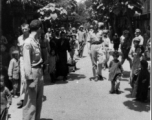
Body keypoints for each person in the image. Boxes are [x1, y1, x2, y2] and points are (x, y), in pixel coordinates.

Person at [23, 19, 43, 120]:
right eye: (41, 29)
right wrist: (30, 79)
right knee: (31, 104)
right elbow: (26, 62)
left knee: (38, 102)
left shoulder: (36, 41)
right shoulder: (28, 42)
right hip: (33, 73)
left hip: (39, 72)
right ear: (39, 29)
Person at [17, 23, 29, 108]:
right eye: (23, 29)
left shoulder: (32, 38)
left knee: (30, 77)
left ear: (29, 29)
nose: (24, 30)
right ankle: (22, 98)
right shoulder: (19, 38)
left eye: (25, 29)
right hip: (22, 59)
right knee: (23, 78)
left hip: (31, 59)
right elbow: (19, 50)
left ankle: (30, 97)